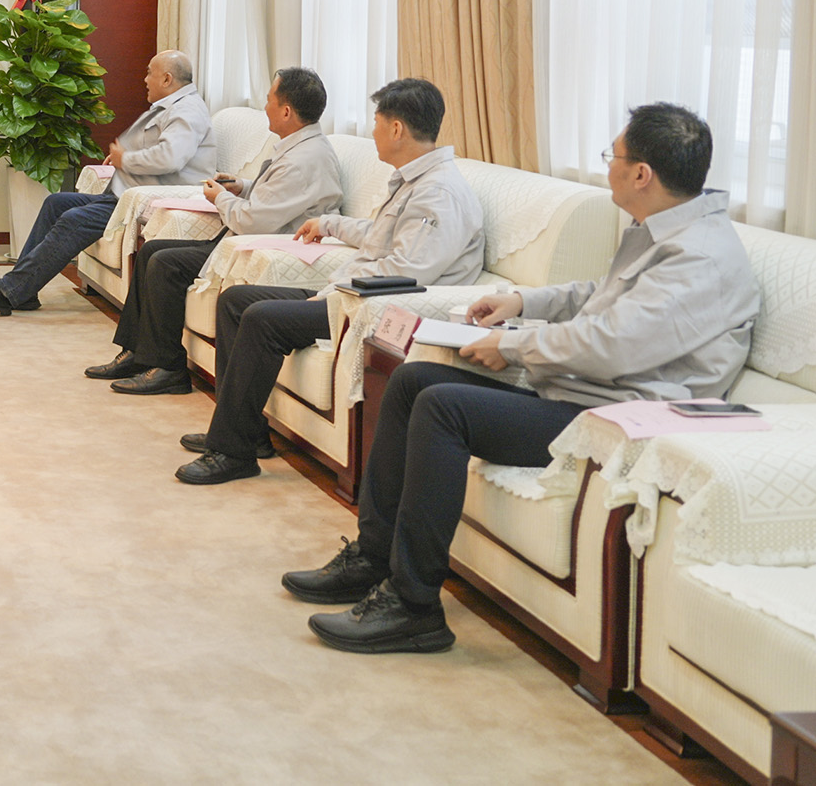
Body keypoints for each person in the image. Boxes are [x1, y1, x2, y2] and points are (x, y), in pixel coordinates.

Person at [287, 103, 758, 654]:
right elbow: (598, 294)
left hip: (614, 419)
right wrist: (522, 301)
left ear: (641, 174)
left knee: (443, 408)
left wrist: (512, 345)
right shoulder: (664, 230)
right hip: (582, 394)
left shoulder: (698, 257)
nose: (607, 166)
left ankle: (414, 608)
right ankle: (374, 558)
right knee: (415, 382)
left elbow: (611, 346)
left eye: (613, 156)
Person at [175, 77, 483, 486]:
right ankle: (246, 431)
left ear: (396, 129)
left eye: (377, 122)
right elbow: (383, 233)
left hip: (373, 309)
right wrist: (329, 223)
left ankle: (233, 453)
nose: (372, 130)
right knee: (237, 300)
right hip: (347, 295)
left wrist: (334, 291)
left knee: (262, 318)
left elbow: (407, 272)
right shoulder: (416, 180)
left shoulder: (439, 192)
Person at [95, 66, 345, 398]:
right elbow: (278, 196)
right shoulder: (300, 146)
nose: (265, 106)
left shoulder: (305, 158)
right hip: (251, 235)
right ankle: (137, 352)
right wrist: (243, 186)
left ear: (286, 111)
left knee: (166, 263)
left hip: (266, 242)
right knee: (154, 251)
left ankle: (168, 368)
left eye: (269, 99)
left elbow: (255, 221)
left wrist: (221, 198)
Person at [0, 50, 216, 315]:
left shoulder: (187, 111)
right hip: (123, 195)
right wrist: (123, 158)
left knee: (74, 219)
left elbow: (171, 157)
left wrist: (126, 159)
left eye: (150, 73)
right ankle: (24, 292)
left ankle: (8, 291)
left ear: (167, 79)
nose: (145, 79)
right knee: (56, 203)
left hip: (145, 202)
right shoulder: (172, 106)